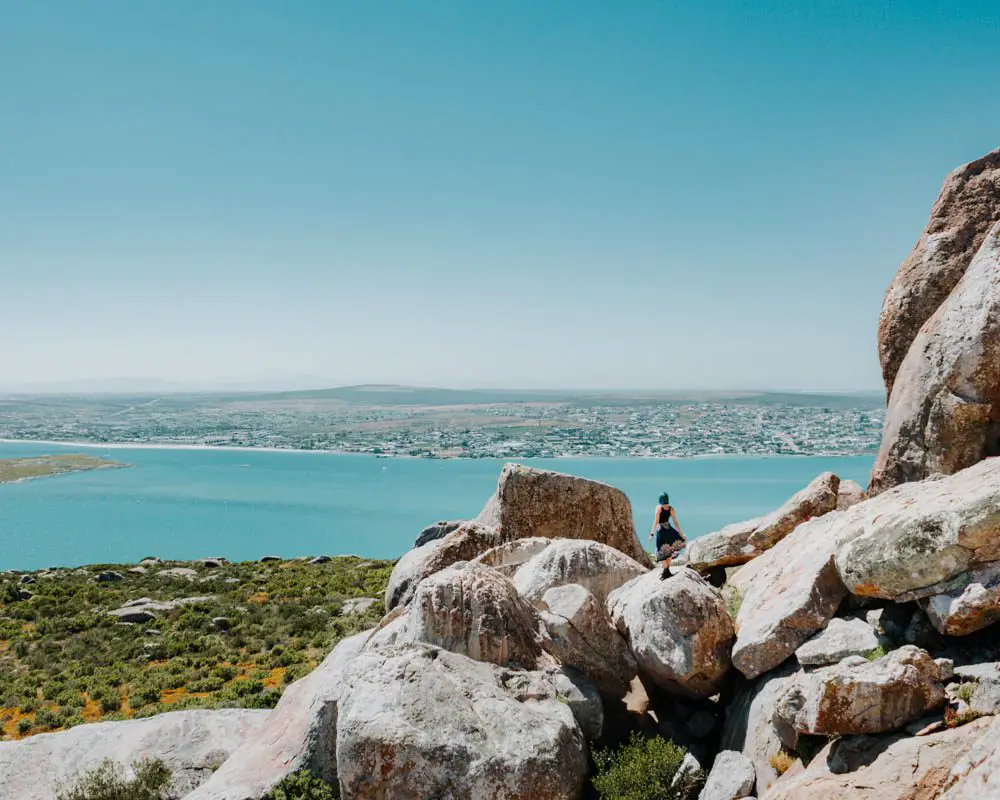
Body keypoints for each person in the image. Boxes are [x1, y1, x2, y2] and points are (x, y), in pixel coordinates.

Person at [648, 492, 685, 579]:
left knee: (661, 551)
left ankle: (666, 571)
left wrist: (651, 534)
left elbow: (656, 522)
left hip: (661, 531)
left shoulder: (658, 508)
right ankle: (667, 571)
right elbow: (675, 522)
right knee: (669, 551)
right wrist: (680, 533)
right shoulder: (671, 508)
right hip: (669, 529)